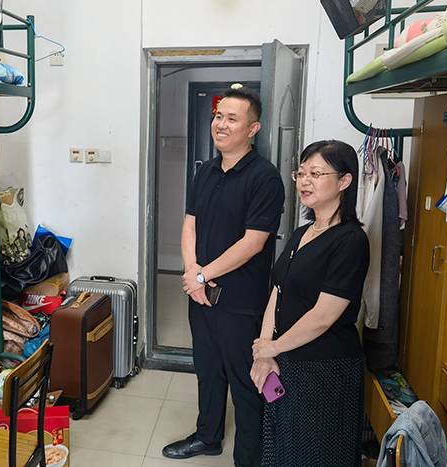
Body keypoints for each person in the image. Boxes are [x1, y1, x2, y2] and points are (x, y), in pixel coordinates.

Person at [162, 86, 285, 467]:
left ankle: (249, 458)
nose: (221, 124)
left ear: (253, 129)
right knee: (207, 370)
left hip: (240, 301)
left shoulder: (265, 178)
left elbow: (253, 242)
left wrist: (202, 276)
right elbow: (190, 224)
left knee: (245, 380)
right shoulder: (206, 171)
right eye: (218, 116)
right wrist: (191, 274)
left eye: (232, 118)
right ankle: (208, 436)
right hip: (201, 296)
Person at [251, 140, 370, 467]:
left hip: (325, 370)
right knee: (284, 449)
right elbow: (278, 291)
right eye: (301, 173)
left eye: (315, 174)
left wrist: (273, 348)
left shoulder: (351, 240)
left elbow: (323, 316)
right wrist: (265, 349)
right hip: (286, 361)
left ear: (344, 181)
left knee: (318, 454)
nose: (304, 181)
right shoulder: (302, 233)